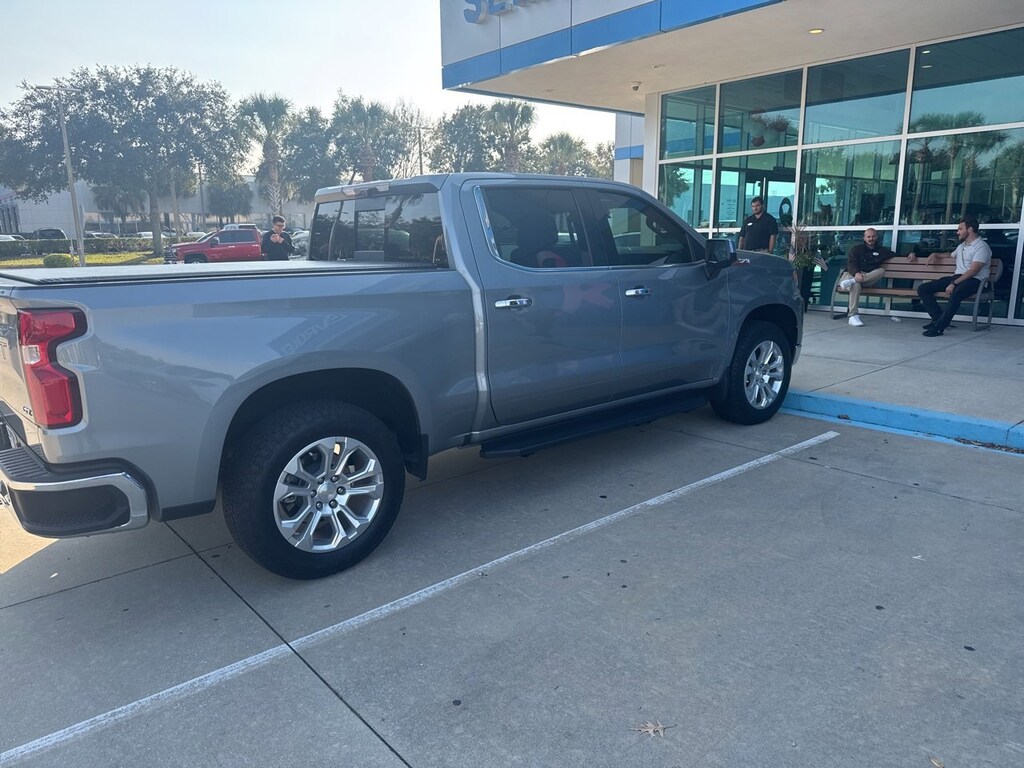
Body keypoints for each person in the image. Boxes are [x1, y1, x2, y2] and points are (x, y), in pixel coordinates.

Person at [915, 216, 992, 337]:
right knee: (923, 288)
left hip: (976, 281)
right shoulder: (962, 246)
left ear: (970, 229)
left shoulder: (982, 247)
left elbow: (974, 270)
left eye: (960, 229)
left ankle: (939, 328)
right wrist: (936, 254)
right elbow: (950, 255)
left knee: (956, 293)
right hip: (959, 277)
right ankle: (938, 318)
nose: (957, 232)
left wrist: (953, 283)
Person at [836, 228, 905, 327]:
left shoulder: (881, 250)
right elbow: (851, 264)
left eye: (873, 236)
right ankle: (853, 316)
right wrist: (856, 273)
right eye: (868, 236)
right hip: (850, 274)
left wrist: (910, 255)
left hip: (865, 279)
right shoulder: (856, 249)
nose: (871, 238)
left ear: (876, 237)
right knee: (856, 285)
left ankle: (852, 281)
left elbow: (897, 255)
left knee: (881, 271)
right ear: (864, 238)